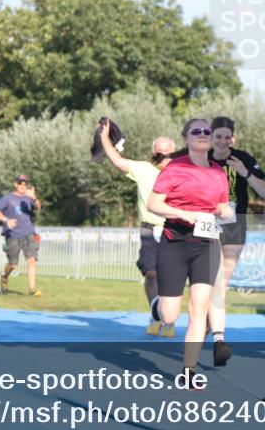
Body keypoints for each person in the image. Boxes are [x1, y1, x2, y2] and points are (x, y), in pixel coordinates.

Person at [146, 118, 233, 383]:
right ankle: (156, 307)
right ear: (186, 138)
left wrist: (225, 211)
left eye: (207, 131)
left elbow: (223, 206)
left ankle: (188, 370)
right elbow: (153, 204)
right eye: (197, 131)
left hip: (206, 245)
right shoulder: (174, 168)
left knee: (199, 307)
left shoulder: (219, 172)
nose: (204, 135)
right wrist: (183, 214)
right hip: (175, 241)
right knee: (169, 315)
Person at [98, 120, 177, 336]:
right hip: (150, 229)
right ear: (153, 153)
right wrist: (105, 137)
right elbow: (116, 160)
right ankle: (155, 311)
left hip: (175, 230)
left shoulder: (182, 172)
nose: (162, 156)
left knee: (171, 279)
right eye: (158, 153)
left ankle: (168, 321)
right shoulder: (143, 169)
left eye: (167, 153)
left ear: (174, 152)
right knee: (151, 274)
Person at [207, 116, 265, 366]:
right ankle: (215, 333)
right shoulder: (203, 157)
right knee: (214, 279)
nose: (222, 141)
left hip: (235, 221)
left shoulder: (243, 157)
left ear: (232, 138)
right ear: (211, 137)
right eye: (218, 136)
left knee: (223, 279)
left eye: (226, 137)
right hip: (208, 221)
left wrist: (245, 173)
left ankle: (213, 331)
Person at [0, 174, 43, 297]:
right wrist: (6, 220)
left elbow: (39, 208)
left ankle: (32, 289)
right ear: (15, 184)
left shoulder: (28, 198)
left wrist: (35, 198)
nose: (23, 186)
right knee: (13, 264)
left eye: (25, 183)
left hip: (28, 233)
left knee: (31, 260)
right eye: (20, 183)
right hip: (12, 234)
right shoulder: (8, 198)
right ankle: (4, 277)